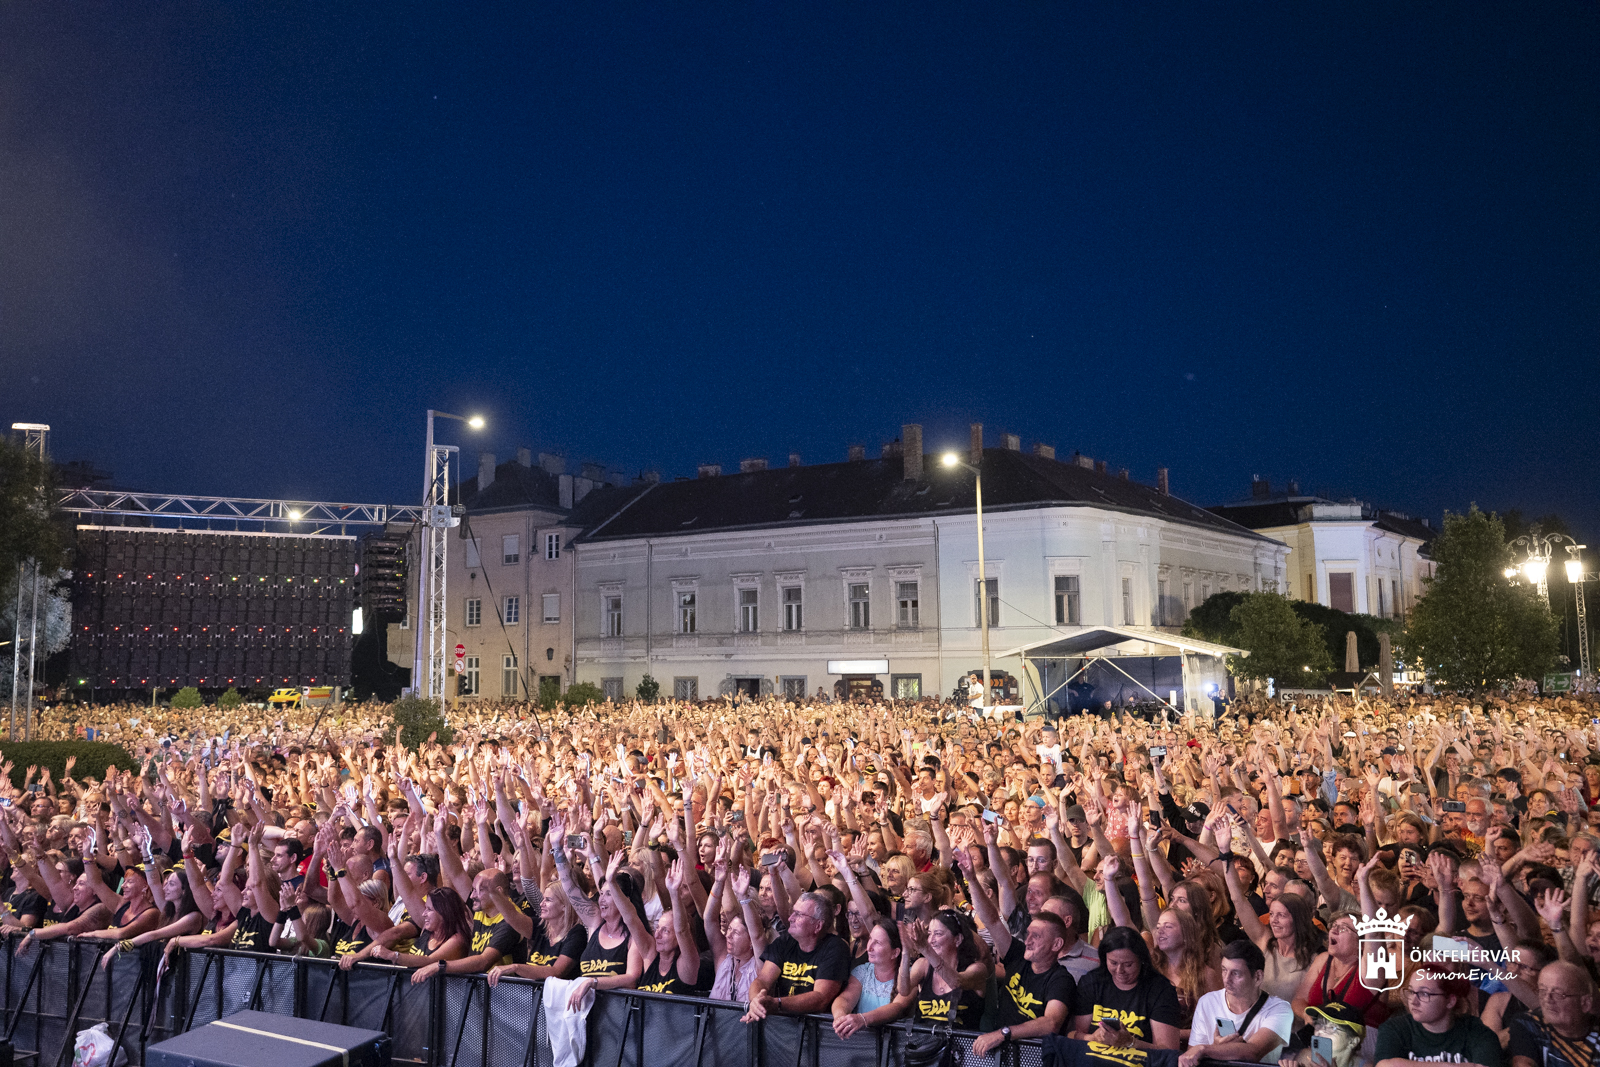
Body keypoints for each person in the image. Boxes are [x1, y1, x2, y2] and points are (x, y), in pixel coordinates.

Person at [970, 911, 1078, 1056]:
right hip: (999, 1050)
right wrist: (973, 886)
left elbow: (1051, 1023)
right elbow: (992, 921)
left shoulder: (1061, 979)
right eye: (1028, 934)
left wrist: (1003, 1033)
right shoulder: (1018, 956)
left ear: (1056, 944)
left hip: (1034, 1055)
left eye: (1036, 936)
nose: (1027, 941)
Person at [1180, 939, 1295, 1066]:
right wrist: (1214, 1047)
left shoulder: (1279, 1009)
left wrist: (1206, 1049)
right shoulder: (1207, 1002)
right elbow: (1191, 1056)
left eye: (1236, 973)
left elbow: (1254, 1052)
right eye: (1224, 970)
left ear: (1258, 977)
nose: (1226, 979)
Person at [742, 891, 851, 1024]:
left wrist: (777, 1003)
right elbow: (763, 979)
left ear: (817, 926)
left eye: (798, 914)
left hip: (818, 1031)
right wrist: (755, 1002)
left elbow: (820, 999)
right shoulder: (784, 942)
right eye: (793, 912)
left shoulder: (835, 948)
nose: (790, 918)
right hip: (783, 1026)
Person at [1072, 926, 1183, 1050]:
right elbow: (1074, 1035)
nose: (1120, 971)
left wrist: (1130, 1042)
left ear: (1141, 960)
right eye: (1113, 963)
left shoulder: (1160, 990)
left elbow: (1169, 1051)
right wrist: (1092, 1038)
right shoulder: (1091, 983)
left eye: (1128, 965)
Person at [1374, 967, 1504, 1067]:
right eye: (1411, 992)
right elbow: (1384, 1065)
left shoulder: (1476, 1031)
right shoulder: (1395, 1028)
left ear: (1450, 1001)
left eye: (1424, 994)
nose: (1413, 1001)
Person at [831, 917, 913, 1039]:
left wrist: (863, 1019)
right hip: (863, 1043)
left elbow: (897, 1007)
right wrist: (840, 1018)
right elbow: (845, 999)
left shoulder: (910, 975)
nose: (869, 947)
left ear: (895, 953)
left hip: (894, 1047)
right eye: (870, 939)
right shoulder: (862, 971)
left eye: (878, 943)